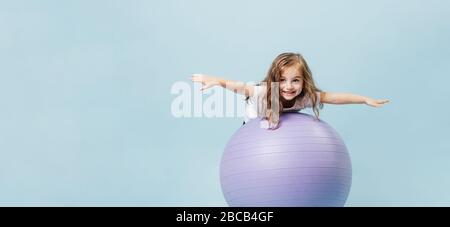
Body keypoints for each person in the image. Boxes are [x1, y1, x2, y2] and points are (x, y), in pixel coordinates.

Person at [191, 52, 389, 129]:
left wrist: (364, 99)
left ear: (304, 81)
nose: (288, 86)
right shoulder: (264, 91)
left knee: (277, 121)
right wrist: (216, 81)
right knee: (268, 121)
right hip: (253, 121)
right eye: (283, 80)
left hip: (281, 121)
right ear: (275, 80)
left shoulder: (305, 97)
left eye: (295, 80)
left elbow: (334, 97)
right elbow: (241, 87)